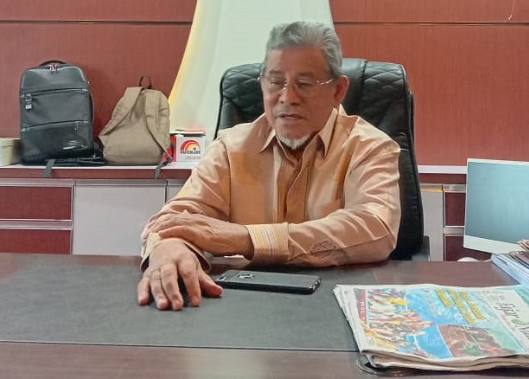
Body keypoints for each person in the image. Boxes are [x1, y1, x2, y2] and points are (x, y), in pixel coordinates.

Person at [137, 21, 402, 310]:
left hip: (336, 304)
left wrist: (246, 239)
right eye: (275, 82)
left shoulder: (370, 147)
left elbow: (374, 228)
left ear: (338, 90)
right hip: (244, 307)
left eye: (304, 84)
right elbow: (176, 219)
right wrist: (170, 247)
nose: (288, 98)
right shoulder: (230, 147)